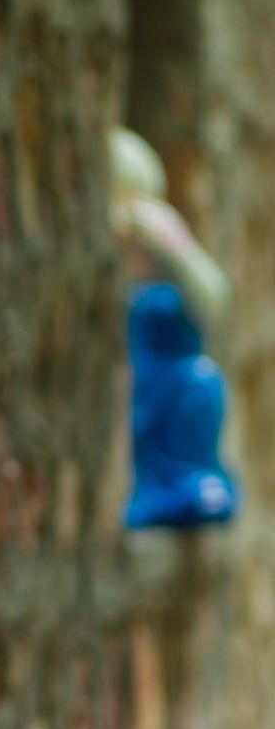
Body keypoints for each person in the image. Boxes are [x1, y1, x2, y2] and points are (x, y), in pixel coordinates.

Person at [110, 128, 238, 529]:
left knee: (203, 384)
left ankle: (185, 484)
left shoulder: (161, 274)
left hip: (162, 387)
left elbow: (216, 297)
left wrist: (176, 247)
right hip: (131, 389)